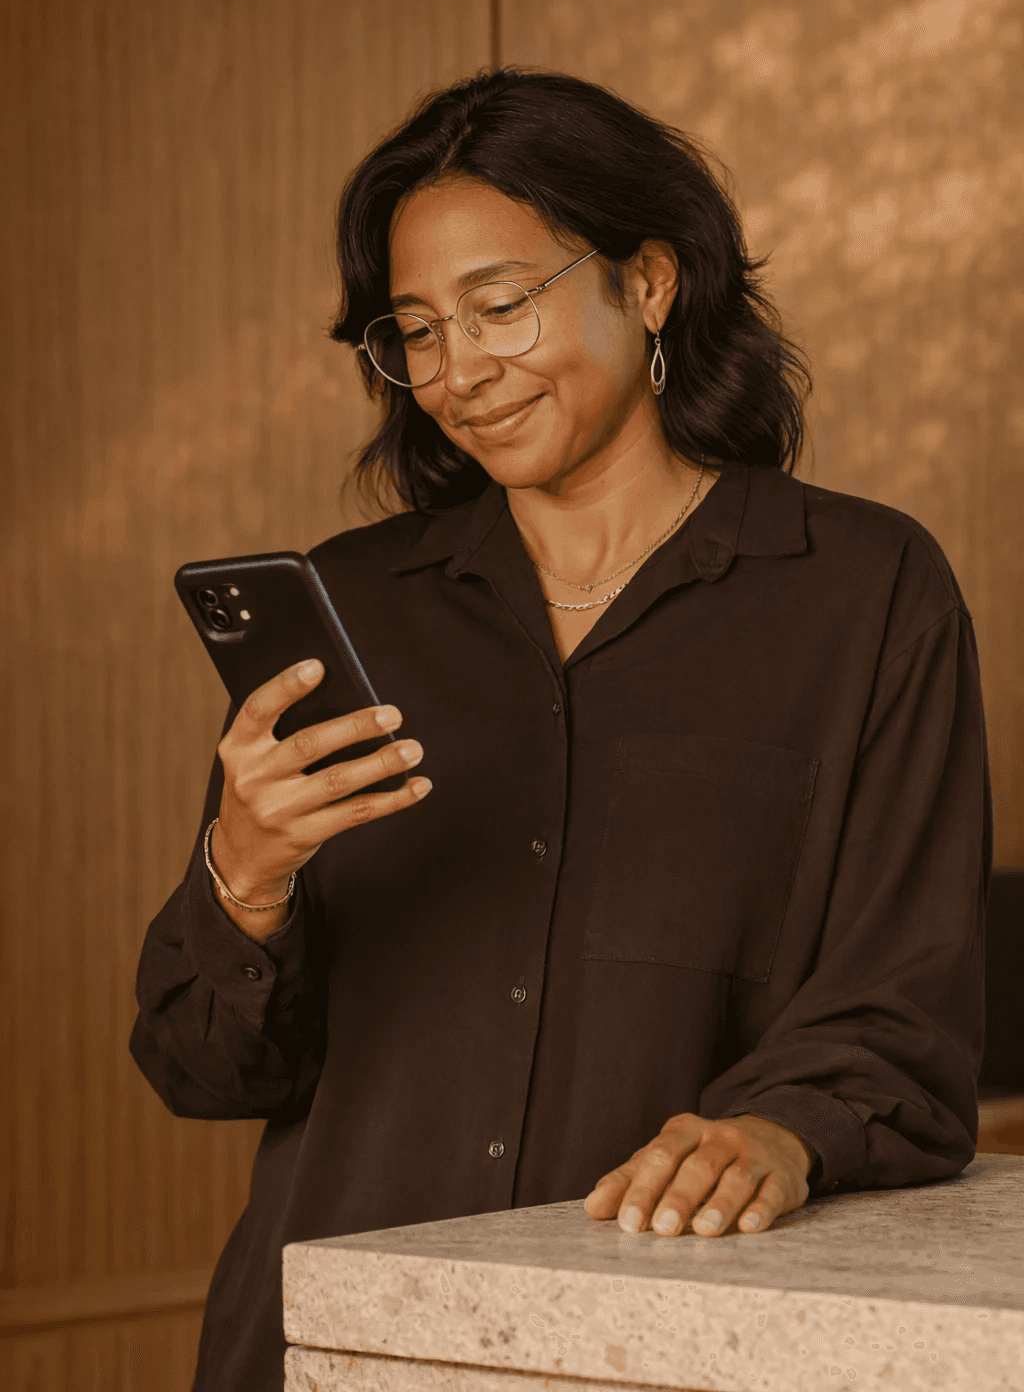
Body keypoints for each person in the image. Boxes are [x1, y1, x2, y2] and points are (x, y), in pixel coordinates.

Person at [130, 68, 991, 1392]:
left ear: (649, 284)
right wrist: (242, 878)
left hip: (655, 1344)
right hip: (327, 1339)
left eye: (501, 305)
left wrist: (783, 1131)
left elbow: (905, 1004)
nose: (457, 372)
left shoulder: (865, 593)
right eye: (414, 329)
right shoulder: (356, 610)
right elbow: (203, 1066)